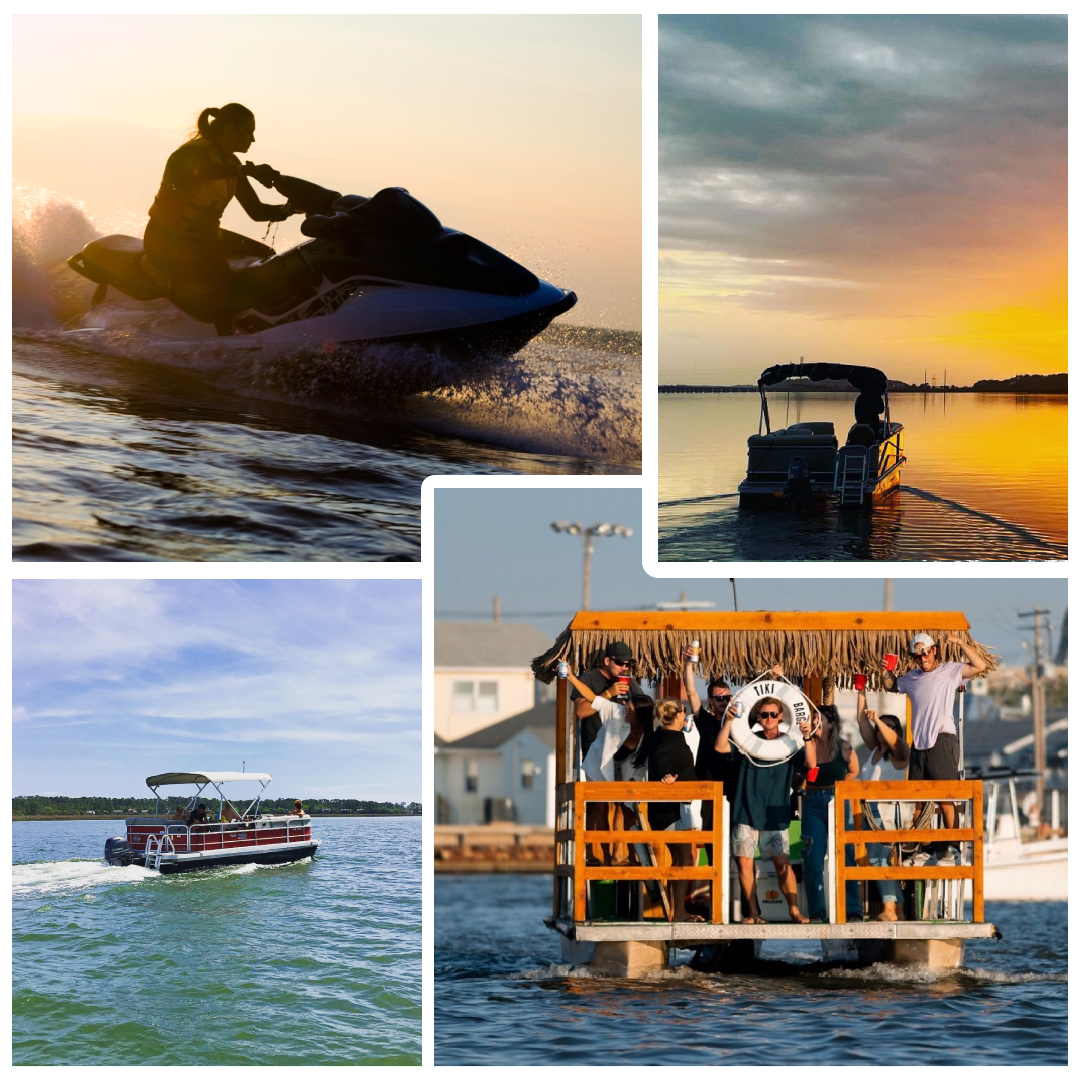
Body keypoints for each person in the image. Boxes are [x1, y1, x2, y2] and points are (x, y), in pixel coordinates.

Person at [144, 102, 298, 335]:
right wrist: (248, 171)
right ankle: (224, 336)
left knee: (266, 257)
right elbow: (204, 172)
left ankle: (260, 321)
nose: (253, 139)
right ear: (230, 131)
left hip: (202, 238)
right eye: (249, 132)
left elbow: (256, 211)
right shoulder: (192, 153)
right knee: (217, 269)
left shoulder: (231, 164)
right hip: (165, 241)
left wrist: (293, 208)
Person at [881, 632, 987, 864]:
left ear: (934, 650)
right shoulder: (911, 677)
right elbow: (891, 685)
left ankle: (952, 848)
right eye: (917, 656)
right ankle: (927, 847)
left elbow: (979, 665)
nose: (922, 658)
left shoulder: (950, 671)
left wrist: (960, 643)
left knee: (946, 798)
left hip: (942, 739)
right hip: (918, 745)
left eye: (925, 652)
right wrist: (885, 669)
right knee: (918, 802)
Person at [716, 673, 809, 924]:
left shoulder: (791, 745)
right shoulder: (747, 742)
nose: (769, 718)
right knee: (745, 865)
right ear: (758, 717)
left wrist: (808, 737)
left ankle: (794, 909)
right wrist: (729, 722)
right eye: (764, 714)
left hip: (774, 812)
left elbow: (810, 764)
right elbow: (720, 747)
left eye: (773, 714)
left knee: (782, 864)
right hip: (745, 809)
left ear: (781, 716)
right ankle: (753, 913)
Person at [570, 641, 646, 864]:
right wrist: (609, 693)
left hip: (623, 754)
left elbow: (643, 710)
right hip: (595, 751)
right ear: (607, 661)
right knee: (599, 804)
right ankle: (598, 855)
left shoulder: (630, 684)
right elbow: (582, 712)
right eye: (621, 663)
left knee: (623, 804)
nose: (625, 668)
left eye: (628, 664)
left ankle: (620, 854)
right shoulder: (590, 679)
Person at [800, 704, 864, 923]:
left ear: (831, 723)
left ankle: (853, 909)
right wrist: (807, 737)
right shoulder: (807, 744)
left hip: (836, 800)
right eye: (813, 717)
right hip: (811, 801)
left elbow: (854, 771)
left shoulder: (843, 747)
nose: (815, 720)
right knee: (812, 857)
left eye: (819, 718)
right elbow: (807, 768)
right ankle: (817, 911)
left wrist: (838, 788)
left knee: (845, 854)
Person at [680, 644, 736, 874]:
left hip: (734, 787)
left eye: (728, 698)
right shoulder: (705, 720)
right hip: (711, 788)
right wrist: (688, 664)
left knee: (737, 842)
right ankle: (716, 890)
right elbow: (691, 691)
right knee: (712, 839)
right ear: (711, 701)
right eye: (719, 699)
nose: (725, 702)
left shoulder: (740, 723)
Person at [855, 691, 910, 921]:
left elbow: (893, 739)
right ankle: (898, 910)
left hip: (889, 812)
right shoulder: (875, 751)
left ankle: (890, 909)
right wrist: (861, 691)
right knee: (877, 859)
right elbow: (861, 720)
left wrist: (878, 720)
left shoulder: (901, 753)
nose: (883, 731)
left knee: (879, 859)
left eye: (890, 727)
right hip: (870, 811)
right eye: (881, 728)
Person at [647, 698, 701, 922]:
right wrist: (667, 777)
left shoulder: (663, 736)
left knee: (682, 860)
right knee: (685, 860)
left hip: (673, 808)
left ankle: (676, 911)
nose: (685, 715)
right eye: (684, 711)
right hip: (671, 810)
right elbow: (663, 766)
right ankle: (678, 912)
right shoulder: (668, 739)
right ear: (678, 714)